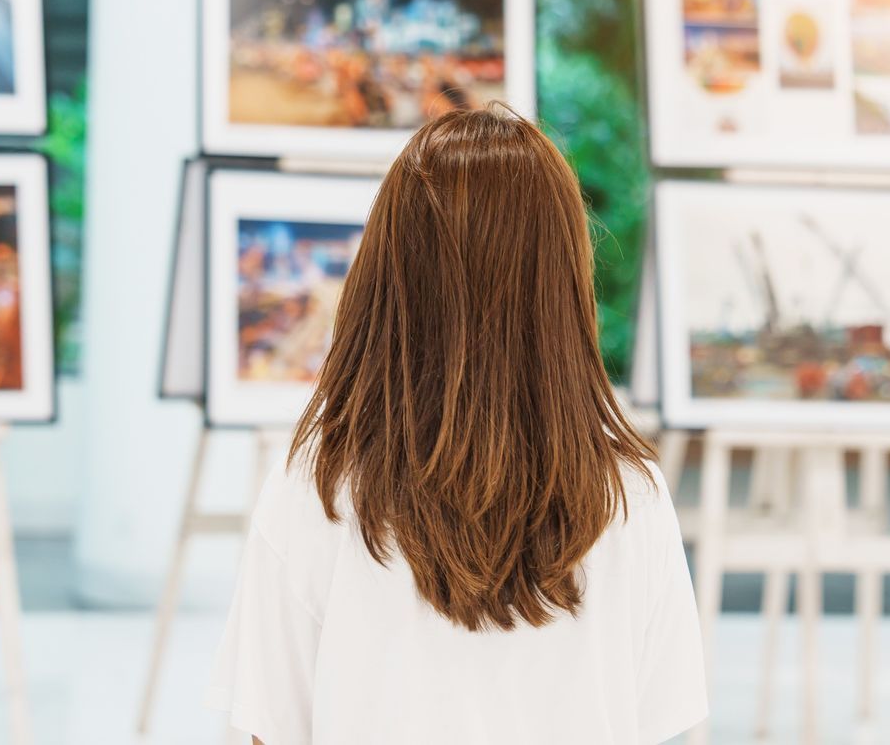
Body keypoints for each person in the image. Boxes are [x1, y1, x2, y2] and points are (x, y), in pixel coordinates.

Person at [208, 107, 707, 744]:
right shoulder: (629, 496)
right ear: (563, 283)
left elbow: (268, 733)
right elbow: (664, 728)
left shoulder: (318, 489)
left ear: (384, 278)